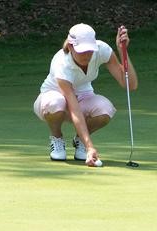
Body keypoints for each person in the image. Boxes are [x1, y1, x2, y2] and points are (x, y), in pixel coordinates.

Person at [33, 23, 138, 166]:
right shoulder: (61, 63)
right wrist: (91, 147)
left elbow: (130, 85)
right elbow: (74, 108)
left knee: (105, 109)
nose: (87, 55)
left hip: (84, 96)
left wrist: (122, 51)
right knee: (56, 103)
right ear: (70, 46)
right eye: (82, 51)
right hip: (52, 99)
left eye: (90, 50)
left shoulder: (102, 50)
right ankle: (56, 137)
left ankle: (81, 140)